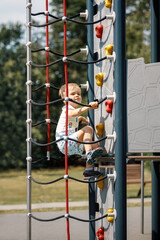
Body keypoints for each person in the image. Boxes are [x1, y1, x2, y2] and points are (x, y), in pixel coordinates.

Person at [56, 83, 104, 177]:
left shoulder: (73, 111)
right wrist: (89, 106)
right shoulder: (66, 109)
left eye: (78, 93)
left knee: (95, 145)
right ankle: (88, 154)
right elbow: (73, 114)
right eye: (73, 94)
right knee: (88, 129)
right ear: (64, 99)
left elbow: (74, 119)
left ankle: (88, 169)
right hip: (65, 142)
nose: (77, 95)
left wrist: (82, 119)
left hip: (69, 145)